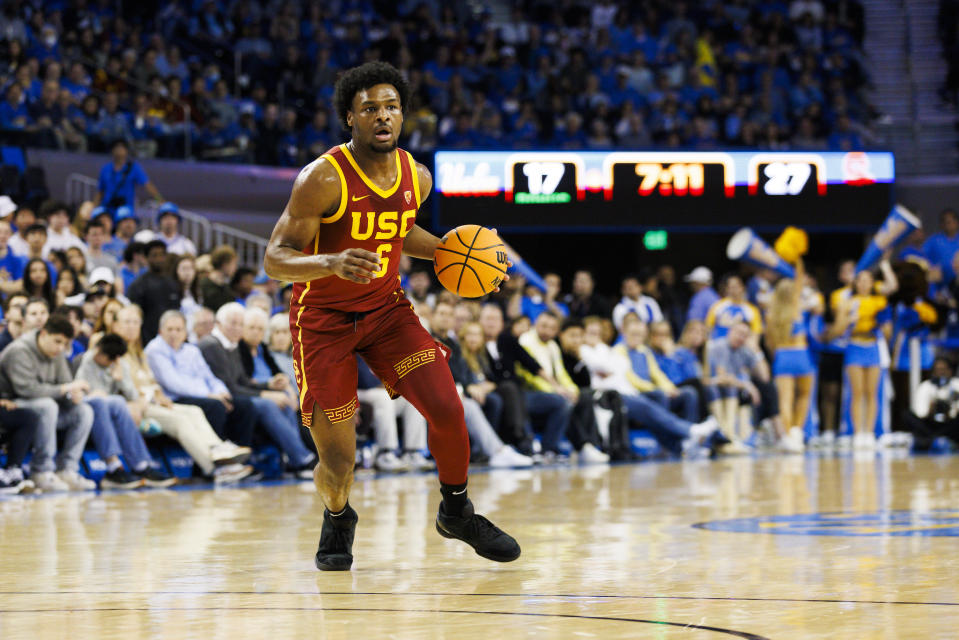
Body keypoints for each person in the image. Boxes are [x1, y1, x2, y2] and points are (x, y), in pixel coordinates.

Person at [262, 61, 519, 570]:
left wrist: (455, 251)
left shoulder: (415, 176)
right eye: (369, 109)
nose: (382, 117)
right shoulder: (321, 179)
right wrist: (329, 261)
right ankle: (338, 515)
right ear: (349, 119)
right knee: (338, 461)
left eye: (391, 107)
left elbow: (398, 231)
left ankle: (457, 510)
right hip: (323, 320)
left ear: (403, 115)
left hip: (385, 311)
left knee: (448, 407)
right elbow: (274, 257)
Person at [111, 306, 254, 483]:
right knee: (182, 419)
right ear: (116, 325)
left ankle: (220, 451)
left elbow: (150, 381)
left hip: (154, 401)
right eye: (127, 322)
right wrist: (151, 396)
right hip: (135, 405)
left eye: (135, 322)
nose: (132, 326)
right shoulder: (118, 350)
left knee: (194, 411)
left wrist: (158, 394)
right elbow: (126, 385)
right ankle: (214, 469)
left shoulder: (138, 352)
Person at [198, 302, 317, 477]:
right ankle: (302, 458)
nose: (237, 328)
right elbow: (230, 387)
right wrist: (265, 394)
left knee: (282, 397)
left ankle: (295, 458)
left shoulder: (230, 344)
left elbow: (243, 381)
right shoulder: (212, 345)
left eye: (240, 324)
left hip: (236, 394)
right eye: (233, 323)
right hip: (218, 397)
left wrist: (269, 386)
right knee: (268, 404)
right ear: (219, 323)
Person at [0, 315, 95, 492]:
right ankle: (42, 470)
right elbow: (27, 390)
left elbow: (65, 384)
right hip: (13, 405)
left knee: (84, 410)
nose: (60, 348)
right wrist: (66, 388)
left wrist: (72, 395)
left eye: (64, 344)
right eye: (57, 341)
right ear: (43, 334)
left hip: (43, 409)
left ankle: (67, 469)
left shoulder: (56, 353)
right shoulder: (19, 350)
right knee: (47, 405)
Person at [145, 310, 257, 455]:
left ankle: (240, 456)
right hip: (175, 398)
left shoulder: (191, 350)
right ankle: (214, 459)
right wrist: (209, 395)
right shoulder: (154, 350)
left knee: (244, 405)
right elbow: (173, 384)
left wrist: (221, 392)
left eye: (178, 329)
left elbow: (209, 377)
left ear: (185, 332)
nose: (174, 334)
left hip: (205, 395)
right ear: (161, 331)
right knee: (215, 407)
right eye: (170, 329)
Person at [75, 333, 177, 488]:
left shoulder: (120, 364)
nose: (100, 357)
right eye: (100, 352)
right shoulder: (87, 360)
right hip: (90, 405)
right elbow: (86, 390)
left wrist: (120, 379)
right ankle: (113, 466)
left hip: (112, 406)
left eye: (106, 357)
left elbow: (133, 395)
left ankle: (141, 465)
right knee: (103, 401)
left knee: (118, 401)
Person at [831, 263, 897, 450]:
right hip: (854, 346)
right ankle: (858, 432)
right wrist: (848, 321)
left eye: (868, 280)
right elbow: (838, 329)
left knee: (872, 392)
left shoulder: (879, 302)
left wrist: (883, 325)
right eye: (860, 280)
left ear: (872, 283)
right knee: (857, 392)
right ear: (856, 283)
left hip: (873, 346)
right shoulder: (848, 302)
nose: (864, 284)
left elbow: (887, 332)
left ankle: (869, 432)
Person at [765, 259, 814, 453]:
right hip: (801, 355)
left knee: (784, 400)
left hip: (782, 356)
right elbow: (800, 279)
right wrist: (799, 260)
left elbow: (769, 343)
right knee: (804, 396)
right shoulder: (797, 307)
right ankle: (797, 432)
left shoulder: (771, 314)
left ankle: (786, 438)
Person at [126, 240, 181, 342]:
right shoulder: (138, 285)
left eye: (162, 255)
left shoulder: (173, 284)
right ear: (146, 258)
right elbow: (135, 316)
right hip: (147, 339)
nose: (159, 259)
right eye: (154, 255)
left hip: (171, 338)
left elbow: (176, 311)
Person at [902, 356, 959, 450]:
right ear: (933, 372)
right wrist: (931, 410)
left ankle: (930, 440)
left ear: (950, 371)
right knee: (906, 415)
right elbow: (920, 413)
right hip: (931, 423)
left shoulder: (956, 384)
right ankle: (935, 439)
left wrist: (951, 409)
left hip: (951, 424)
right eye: (938, 370)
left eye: (944, 369)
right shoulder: (925, 386)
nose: (941, 373)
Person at [93, 139, 163, 215]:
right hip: (108, 208)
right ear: (112, 151)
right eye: (116, 147)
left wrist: (160, 200)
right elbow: (100, 192)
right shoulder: (105, 169)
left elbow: (148, 185)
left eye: (122, 147)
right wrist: (94, 208)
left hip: (126, 210)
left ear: (127, 151)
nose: (119, 150)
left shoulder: (134, 168)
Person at [705, 274, 763, 341]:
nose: (733, 290)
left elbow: (756, 333)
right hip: (718, 346)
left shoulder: (752, 310)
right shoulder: (717, 306)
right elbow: (708, 327)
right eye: (730, 287)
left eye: (736, 287)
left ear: (742, 288)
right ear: (727, 289)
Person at [199, 245, 238, 311]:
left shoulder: (226, 288)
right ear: (225, 264)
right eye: (234, 263)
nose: (235, 268)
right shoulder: (203, 284)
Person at [0, 219, 26, 296]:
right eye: (0, 232)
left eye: (6, 232)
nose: (2, 236)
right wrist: (6, 285)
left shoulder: (17, 260)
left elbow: (19, 286)